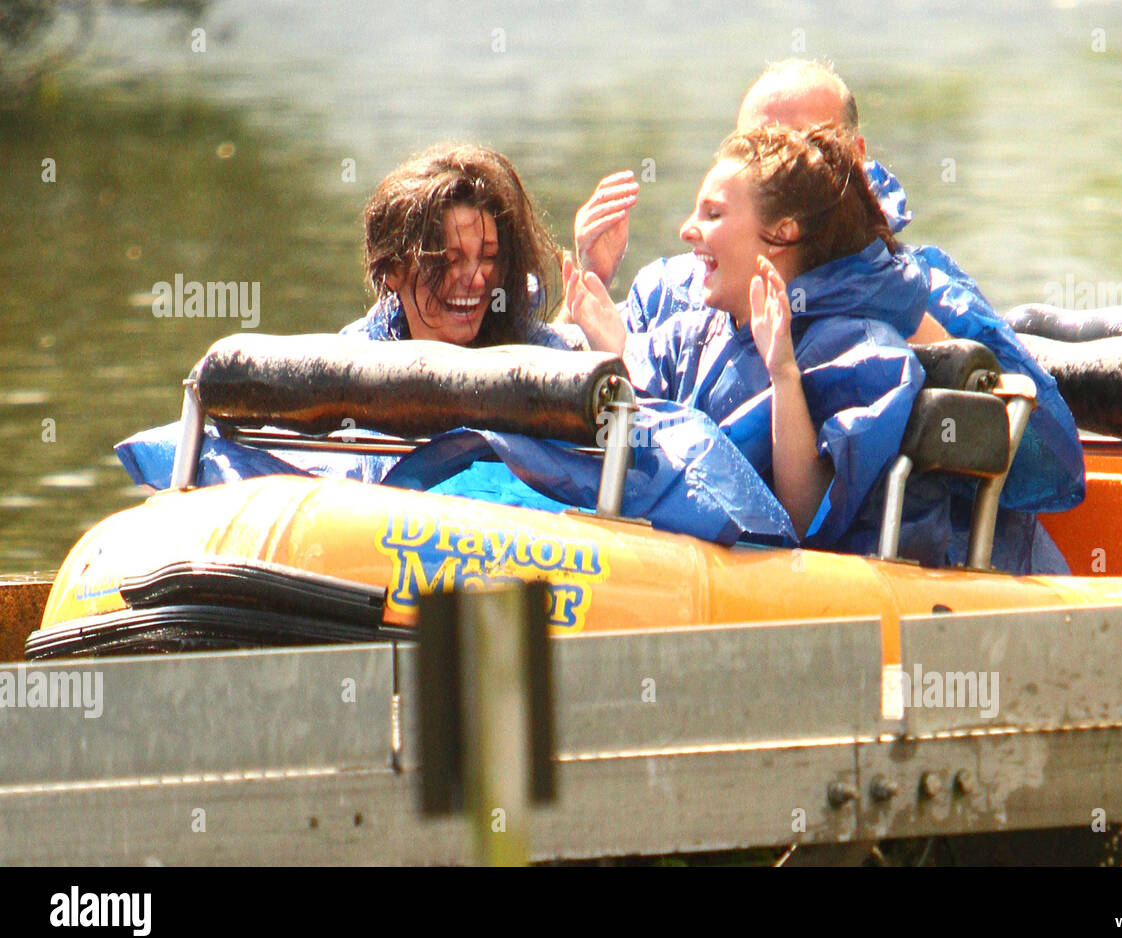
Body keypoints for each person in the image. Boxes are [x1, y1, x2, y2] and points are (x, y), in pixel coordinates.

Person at [570, 59, 1084, 571]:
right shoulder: (673, 288)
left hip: (897, 575)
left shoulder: (921, 289)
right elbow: (585, 417)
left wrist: (913, 321)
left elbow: (1052, 466)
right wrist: (591, 277)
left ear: (854, 158)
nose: (784, 161)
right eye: (762, 146)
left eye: (805, 143)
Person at [566, 123, 936, 554]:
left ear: (783, 232)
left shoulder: (863, 351)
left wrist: (783, 374)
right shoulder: (693, 334)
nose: (687, 229)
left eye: (713, 214)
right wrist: (614, 357)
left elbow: (803, 521)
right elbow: (632, 453)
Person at [341, 144, 585, 349]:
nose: (477, 280)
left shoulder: (540, 353)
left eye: (489, 257)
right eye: (450, 260)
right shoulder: (355, 356)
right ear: (393, 269)